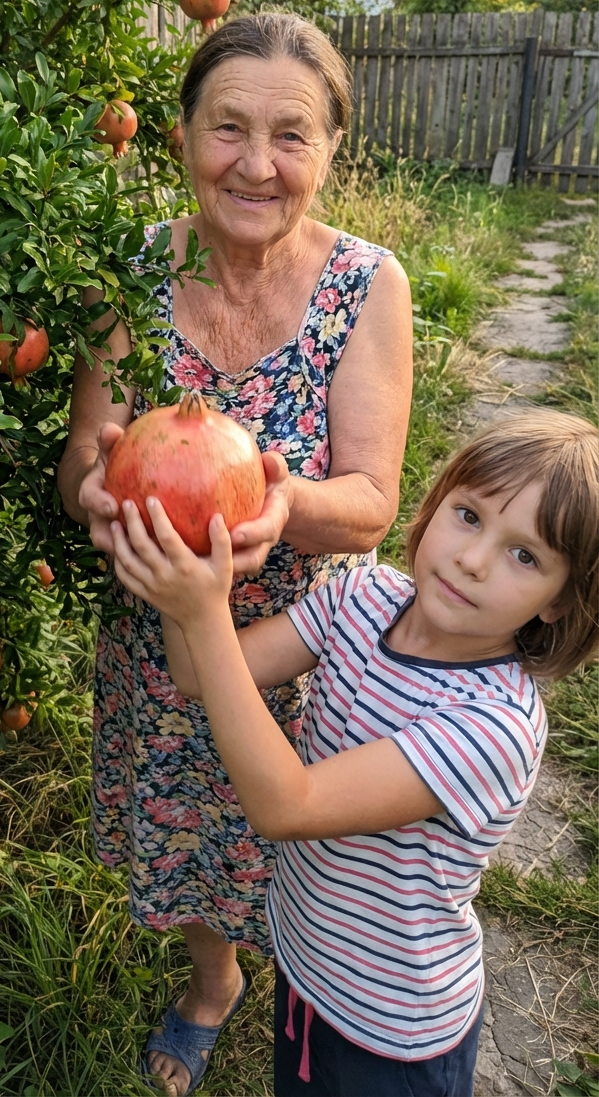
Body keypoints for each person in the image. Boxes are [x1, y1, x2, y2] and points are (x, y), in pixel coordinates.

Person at [57, 13, 413, 1093]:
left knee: (308, 844)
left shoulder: (368, 285)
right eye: (228, 128)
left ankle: (316, 981)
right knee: (188, 836)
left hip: (303, 643)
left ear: (330, 150)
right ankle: (216, 979)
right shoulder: (132, 272)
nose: (257, 163)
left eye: (291, 135)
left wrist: (282, 504)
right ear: (181, 136)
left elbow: (373, 503)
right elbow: (84, 457)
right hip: (163, 634)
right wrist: (97, 499)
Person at [109, 409, 599, 1096]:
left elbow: (287, 806)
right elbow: (198, 673)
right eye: (469, 516)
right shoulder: (361, 598)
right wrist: (178, 552)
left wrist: (203, 610)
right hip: (307, 966)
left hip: (391, 1031)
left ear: (560, 601)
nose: (474, 559)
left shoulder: (494, 726)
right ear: (434, 506)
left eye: (526, 556)